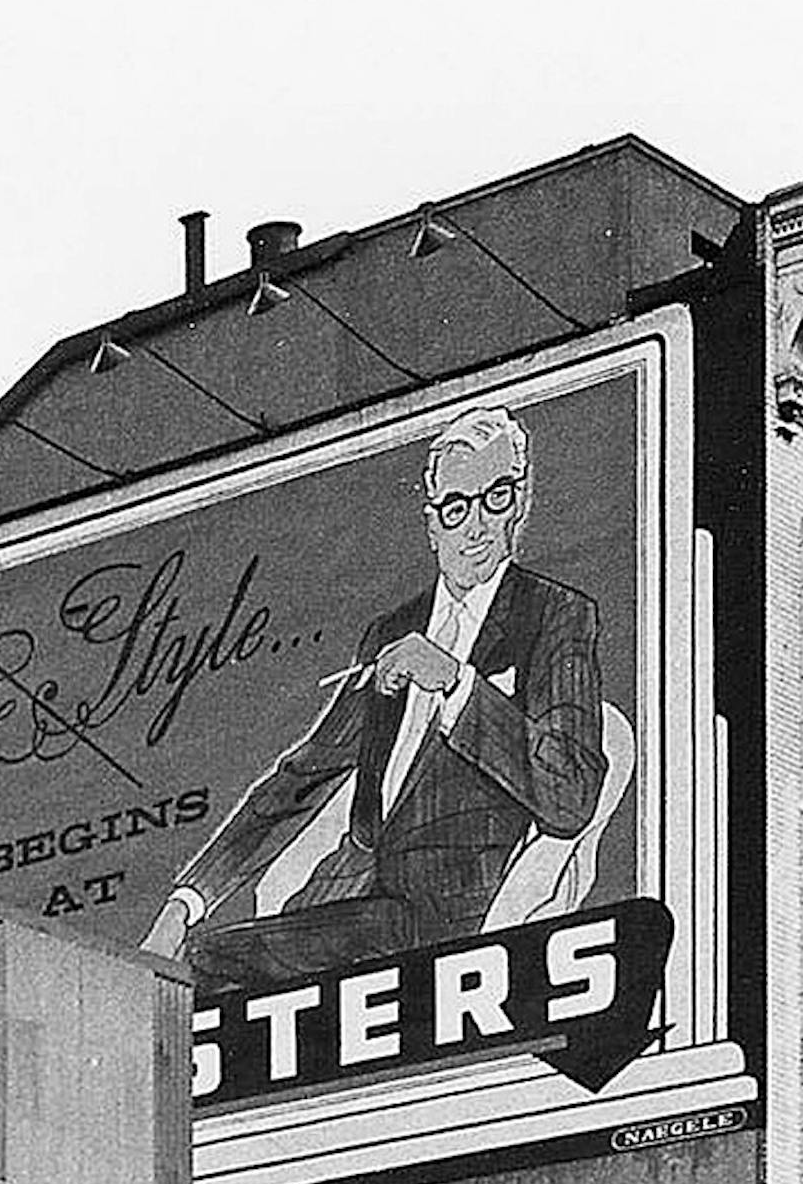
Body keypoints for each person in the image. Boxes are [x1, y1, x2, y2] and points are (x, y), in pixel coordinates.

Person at [143, 401, 613, 990]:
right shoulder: (391, 631)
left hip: (443, 921)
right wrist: (188, 900)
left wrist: (455, 684)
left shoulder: (555, 615)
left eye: (496, 498)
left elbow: (571, 794)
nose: (476, 526)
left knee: (199, 971)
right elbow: (302, 776)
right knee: (178, 964)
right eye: (455, 507)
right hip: (346, 901)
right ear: (431, 521)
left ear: (517, 503)